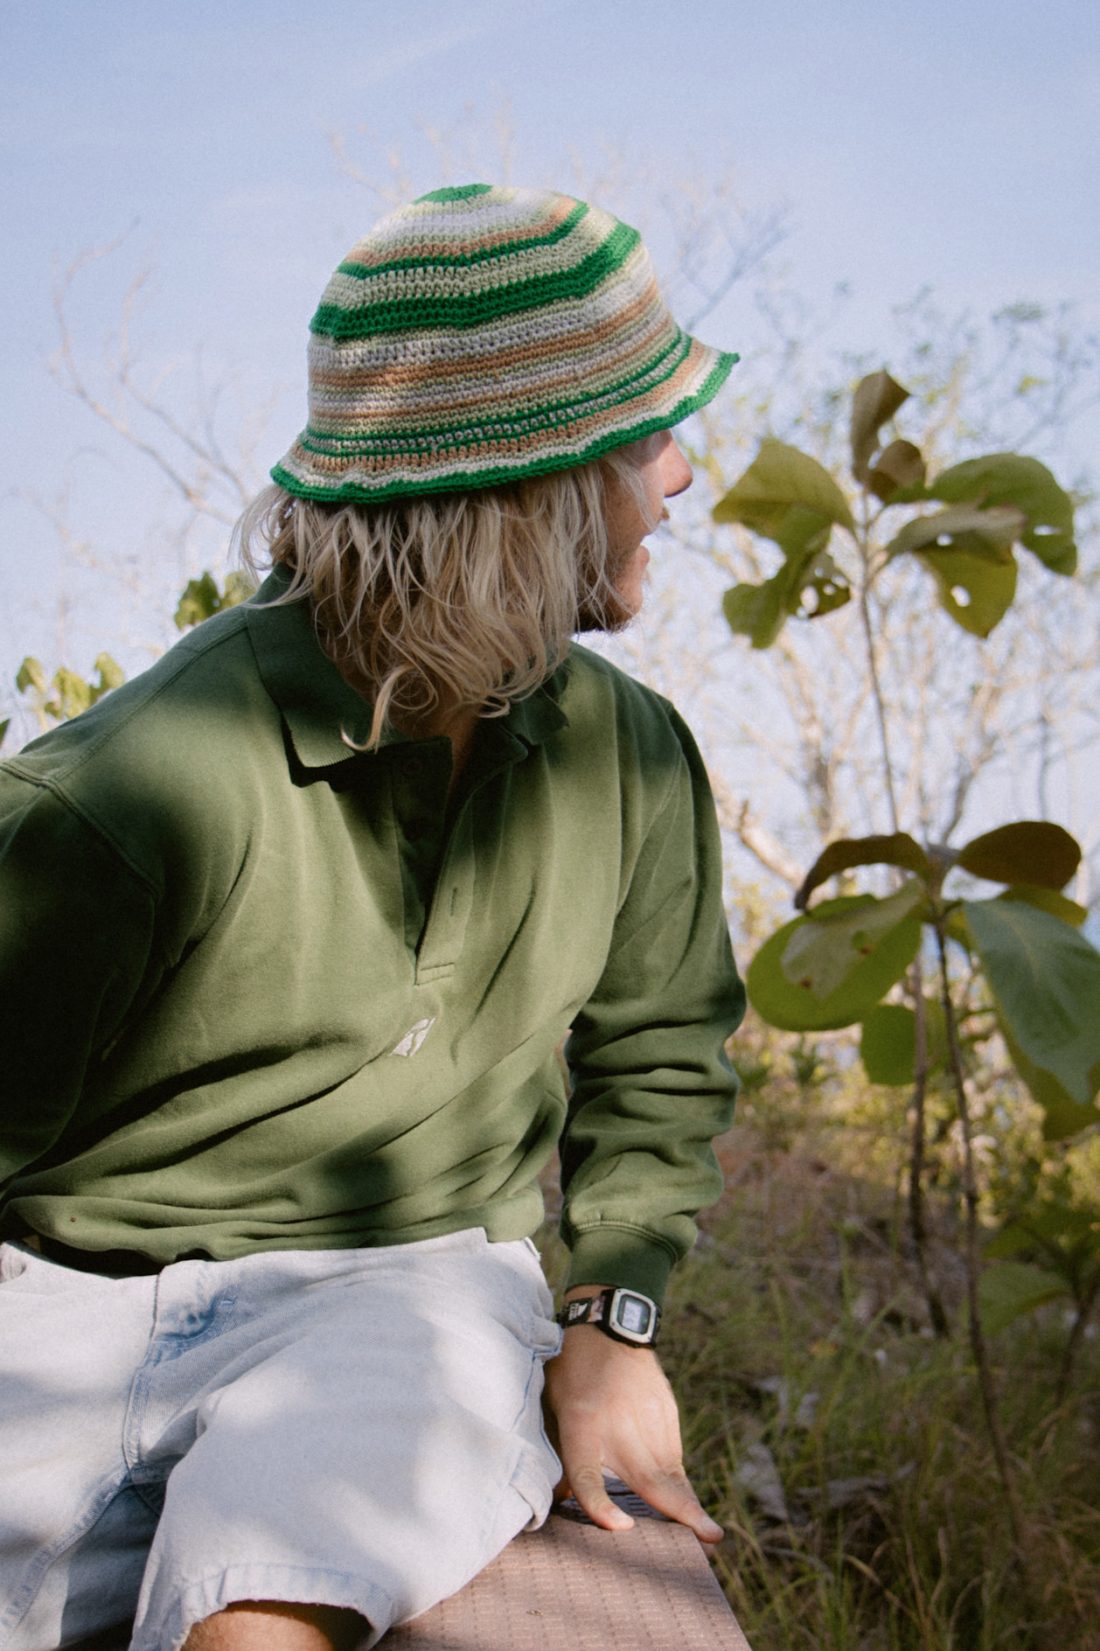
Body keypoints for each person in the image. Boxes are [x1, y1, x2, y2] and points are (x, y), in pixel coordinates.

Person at [0, 183, 745, 1651]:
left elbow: (661, 1064)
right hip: (64, 1297)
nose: (682, 474)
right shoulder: (126, 798)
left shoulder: (634, 758)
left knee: (278, 1575)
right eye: (648, 433)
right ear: (531, 485)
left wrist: (611, 1316)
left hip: (404, 1290)